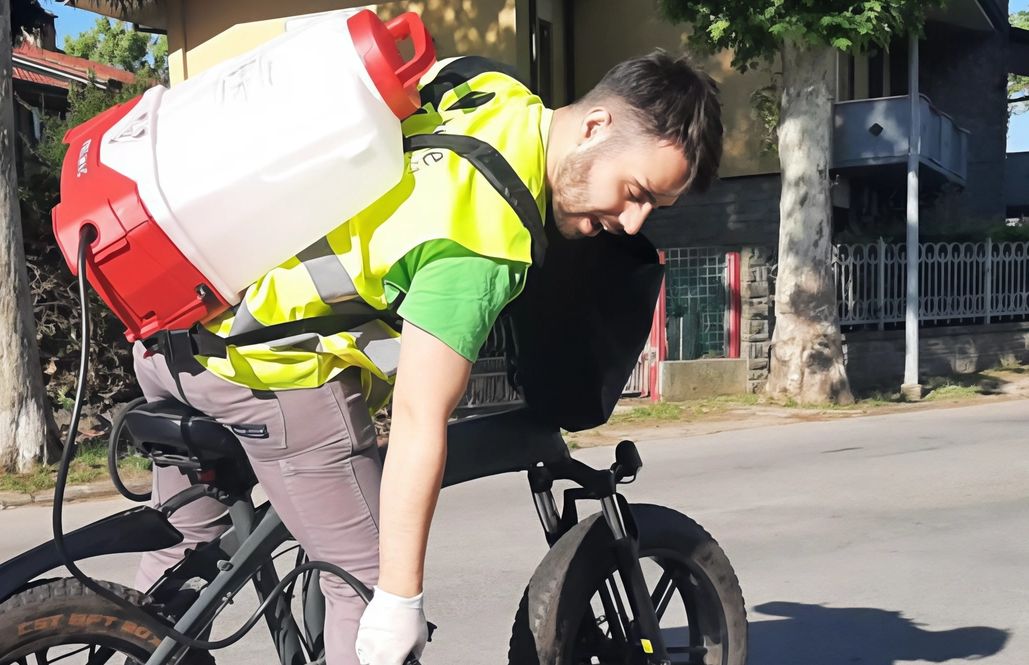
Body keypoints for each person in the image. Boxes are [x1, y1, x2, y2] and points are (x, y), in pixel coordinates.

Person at [131, 50, 723, 665]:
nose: (633, 223)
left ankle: (111, 632)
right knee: (367, 595)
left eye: (652, 208)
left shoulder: (484, 87)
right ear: (596, 126)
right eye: (634, 192)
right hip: (267, 368)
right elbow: (418, 417)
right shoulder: (484, 234)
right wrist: (399, 600)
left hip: (172, 322)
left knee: (186, 553)